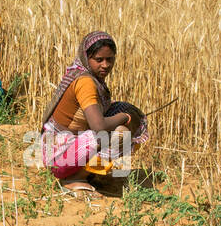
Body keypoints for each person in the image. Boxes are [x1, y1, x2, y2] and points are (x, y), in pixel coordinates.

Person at [36, 30, 149, 193]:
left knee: (119, 115)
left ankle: (85, 172)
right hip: (58, 157)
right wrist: (124, 117)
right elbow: (98, 126)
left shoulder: (84, 75)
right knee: (121, 134)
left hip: (56, 149)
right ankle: (74, 177)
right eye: (99, 60)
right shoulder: (86, 82)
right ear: (86, 58)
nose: (105, 65)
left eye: (109, 59)